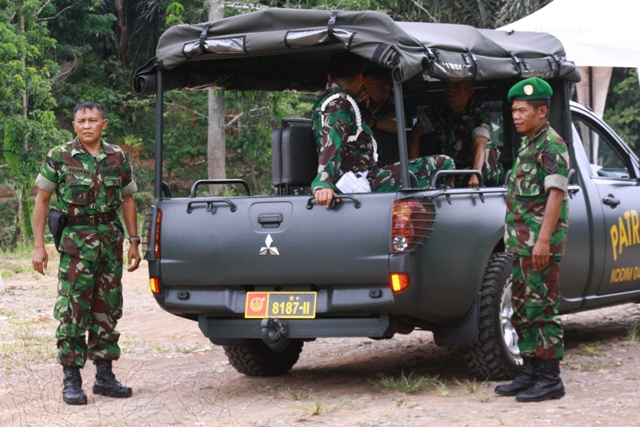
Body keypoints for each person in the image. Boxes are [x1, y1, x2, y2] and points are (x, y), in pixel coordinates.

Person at [31, 101, 141, 405]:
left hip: (110, 242)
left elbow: (128, 200)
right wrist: (39, 245)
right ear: (74, 125)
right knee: (73, 309)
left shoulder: (117, 156)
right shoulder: (59, 156)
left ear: (104, 124)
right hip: (76, 245)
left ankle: (104, 377)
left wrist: (134, 240)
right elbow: (41, 201)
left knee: (107, 307)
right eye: (81, 121)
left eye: (93, 120)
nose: (87, 125)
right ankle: (72, 379)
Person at [494, 77, 570, 402]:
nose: (516, 115)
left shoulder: (552, 145)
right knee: (523, 307)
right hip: (521, 244)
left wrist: (542, 242)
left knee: (542, 307)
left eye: (522, 110)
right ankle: (529, 370)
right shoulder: (529, 143)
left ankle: (550, 378)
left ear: (542, 111)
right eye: (513, 110)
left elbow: (556, 196)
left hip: (540, 245)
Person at [312, 52, 455, 208]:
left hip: (365, 174)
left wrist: (361, 103)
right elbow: (333, 142)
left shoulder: (333, 102)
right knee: (444, 164)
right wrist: (323, 181)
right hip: (359, 181)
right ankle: (436, 214)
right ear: (360, 78)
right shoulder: (340, 104)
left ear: (329, 79)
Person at [408, 81, 503, 187]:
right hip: (446, 168)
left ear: (469, 92)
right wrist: (413, 170)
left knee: (488, 148)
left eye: (457, 87)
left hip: (472, 168)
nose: (451, 92)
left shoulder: (478, 111)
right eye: (448, 86)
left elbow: (480, 140)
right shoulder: (438, 108)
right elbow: (415, 134)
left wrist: (476, 173)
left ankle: (488, 191)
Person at [362, 67, 399, 166]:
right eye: (363, 88)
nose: (366, 92)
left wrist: (373, 122)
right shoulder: (360, 108)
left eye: (371, 87)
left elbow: (397, 125)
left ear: (386, 89)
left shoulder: (395, 106)